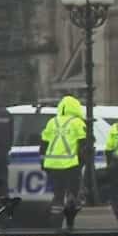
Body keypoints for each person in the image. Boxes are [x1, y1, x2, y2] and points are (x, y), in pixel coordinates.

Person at [39, 94, 87, 227]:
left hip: (52, 165)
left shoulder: (52, 122)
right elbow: (84, 145)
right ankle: (70, 224)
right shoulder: (78, 123)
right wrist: (81, 163)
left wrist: (43, 163)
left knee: (58, 195)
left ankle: (55, 224)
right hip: (70, 165)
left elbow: (43, 145)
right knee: (73, 194)